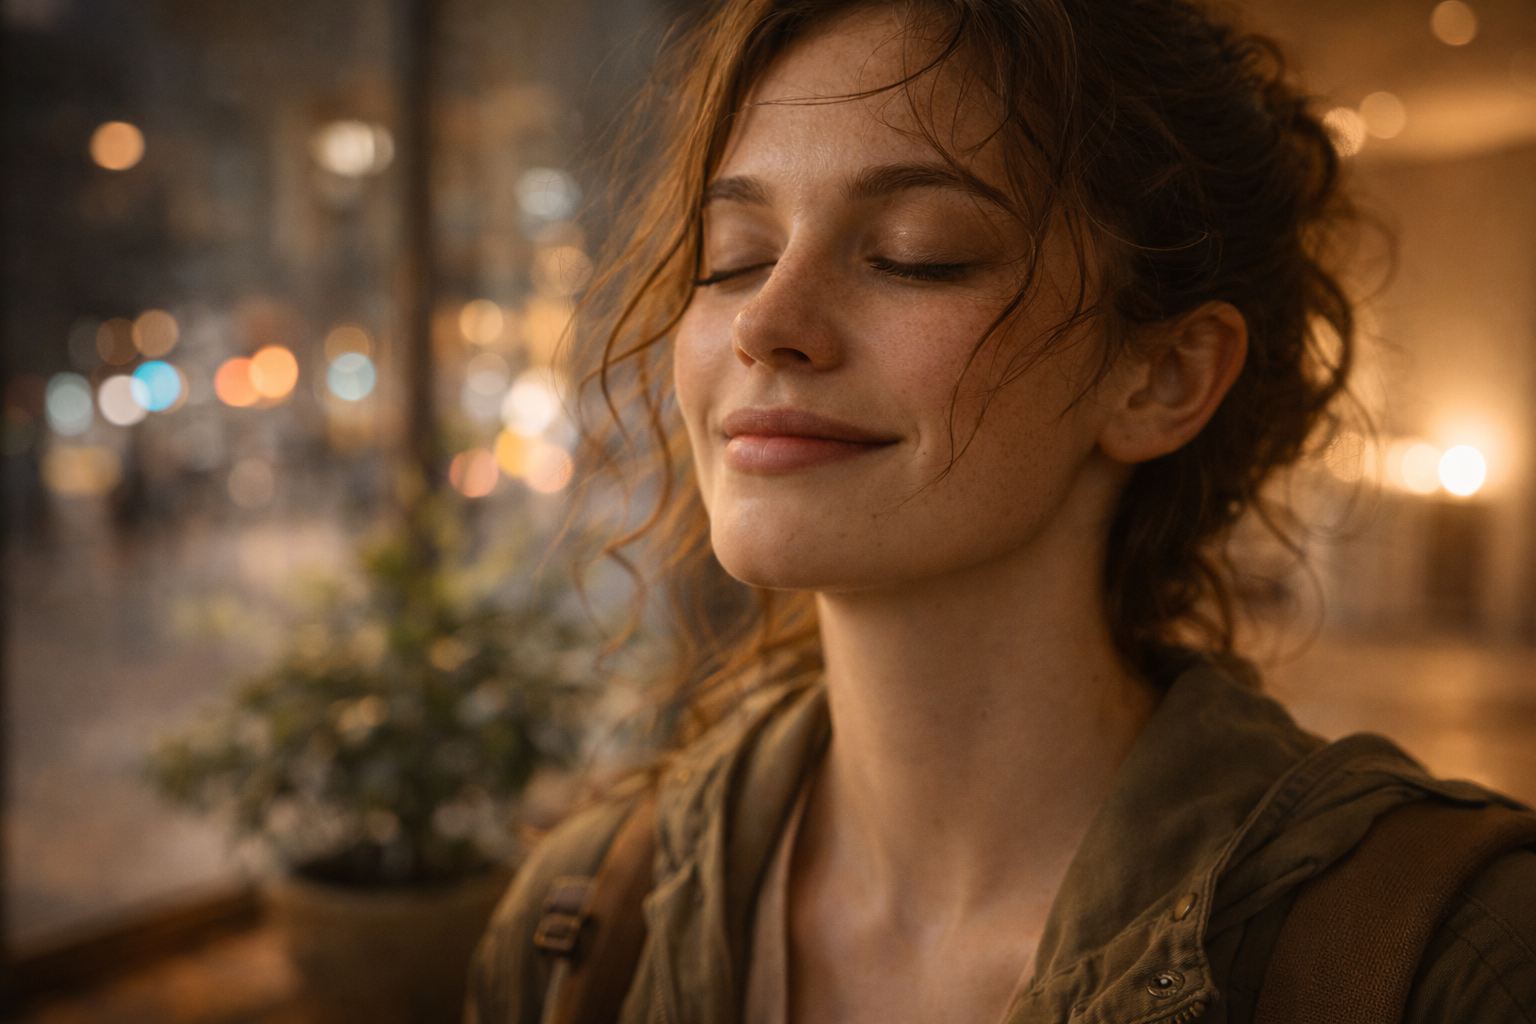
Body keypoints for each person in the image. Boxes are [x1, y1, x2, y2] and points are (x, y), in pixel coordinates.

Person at [468, 1, 1536, 1021]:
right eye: (732, 258)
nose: (766, 322)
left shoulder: (1453, 961)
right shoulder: (582, 924)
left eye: (916, 253)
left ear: (1162, 376)